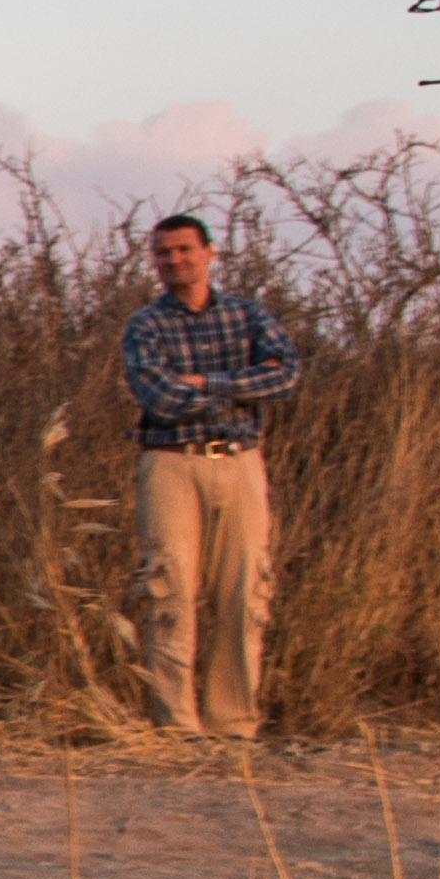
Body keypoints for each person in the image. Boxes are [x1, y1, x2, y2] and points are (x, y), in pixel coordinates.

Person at [117, 213, 303, 740]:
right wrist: (241, 386)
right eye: (163, 253)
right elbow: (159, 397)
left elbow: (286, 376)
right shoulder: (147, 324)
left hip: (242, 460)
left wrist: (207, 380)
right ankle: (176, 725)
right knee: (168, 590)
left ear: (210, 253)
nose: (174, 260)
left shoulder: (248, 315)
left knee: (246, 593)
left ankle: (234, 724)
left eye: (183, 250)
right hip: (171, 462)